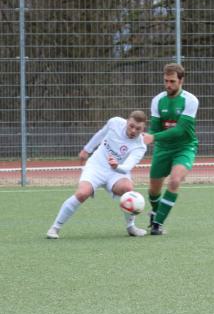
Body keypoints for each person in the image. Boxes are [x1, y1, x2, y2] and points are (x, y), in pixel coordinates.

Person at [46, 110, 148, 239]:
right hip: (96, 166)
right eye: (131, 126)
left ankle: (131, 227)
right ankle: (55, 228)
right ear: (127, 122)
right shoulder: (115, 122)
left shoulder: (140, 146)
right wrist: (86, 150)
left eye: (138, 129)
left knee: (127, 189)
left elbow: (128, 166)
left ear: (143, 128)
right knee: (83, 193)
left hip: (117, 172)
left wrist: (117, 166)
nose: (133, 131)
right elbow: (100, 134)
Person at [143, 63, 199, 235]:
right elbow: (154, 127)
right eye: (166, 81)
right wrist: (148, 137)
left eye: (172, 81)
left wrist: (154, 137)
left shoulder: (191, 100)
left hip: (184, 147)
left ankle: (157, 223)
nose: (168, 85)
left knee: (174, 181)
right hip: (162, 149)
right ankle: (155, 213)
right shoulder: (158, 100)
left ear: (181, 80)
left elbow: (180, 130)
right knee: (153, 190)